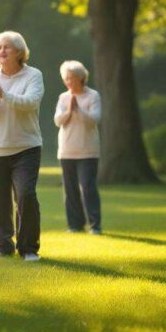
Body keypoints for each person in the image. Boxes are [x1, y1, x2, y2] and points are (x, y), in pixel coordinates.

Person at [0, 31, 44, 262]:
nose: (2, 51)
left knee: (25, 195)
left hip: (26, 147)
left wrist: (5, 95)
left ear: (19, 52)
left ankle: (29, 248)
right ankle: (2, 247)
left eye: (7, 47)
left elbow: (31, 103)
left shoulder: (33, 75)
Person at [54, 60, 103, 235]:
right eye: (66, 78)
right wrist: (69, 111)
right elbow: (58, 121)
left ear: (81, 78)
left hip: (87, 151)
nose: (69, 82)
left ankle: (95, 225)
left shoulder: (92, 96)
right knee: (70, 189)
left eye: (72, 78)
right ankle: (75, 225)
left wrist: (78, 111)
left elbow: (94, 119)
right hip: (66, 150)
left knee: (88, 188)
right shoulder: (63, 97)